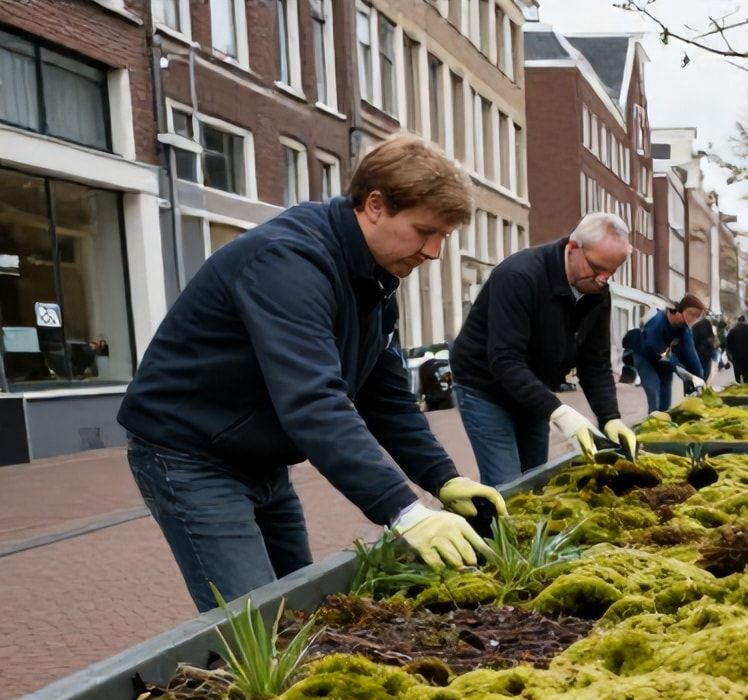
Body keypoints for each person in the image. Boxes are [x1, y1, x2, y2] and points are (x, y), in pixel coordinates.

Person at [118, 134, 507, 612]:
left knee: (301, 607)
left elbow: (385, 396)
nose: (434, 252)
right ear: (375, 205)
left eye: (443, 237)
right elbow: (312, 399)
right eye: (426, 231)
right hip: (190, 455)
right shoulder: (287, 262)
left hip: (260, 456)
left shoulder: (374, 277)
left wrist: (442, 478)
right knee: (256, 624)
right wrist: (404, 510)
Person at [448, 212, 639, 486]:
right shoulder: (518, 276)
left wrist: (610, 418)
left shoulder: (597, 292)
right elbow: (505, 359)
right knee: (509, 483)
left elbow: (594, 363)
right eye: (597, 268)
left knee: (536, 480)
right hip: (485, 389)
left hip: (533, 389)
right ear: (572, 248)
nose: (603, 279)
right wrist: (559, 412)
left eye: (611, 272)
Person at [632, 295, 707, 412]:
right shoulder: (658, 321)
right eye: (691, 314)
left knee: (665, 403)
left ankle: (662, 417)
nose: (693, 319)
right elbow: (658, 350)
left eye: (697, 316)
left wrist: (699, 379)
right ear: (680, 310)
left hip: (665, 362)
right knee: (655, 394)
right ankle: (653, 417)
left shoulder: (684, 330)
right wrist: (682, 371)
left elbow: (691, 356)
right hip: (645, 358)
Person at [725, 315, 748, 385]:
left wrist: (730, 352)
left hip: (737, 356)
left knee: (737, 372)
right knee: (747, 374)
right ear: (744, 321)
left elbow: (728, 342)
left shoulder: (733, 330)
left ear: (738, 321)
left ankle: (739, 384)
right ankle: (746, 383)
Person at [690, 314, 718, 394]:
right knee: (703, 376)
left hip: (696, 355)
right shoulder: (706, 324)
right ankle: (701, 392)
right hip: (705, 355)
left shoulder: (694, 327)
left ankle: (695, 392)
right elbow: (712, 339)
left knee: (696, 377)